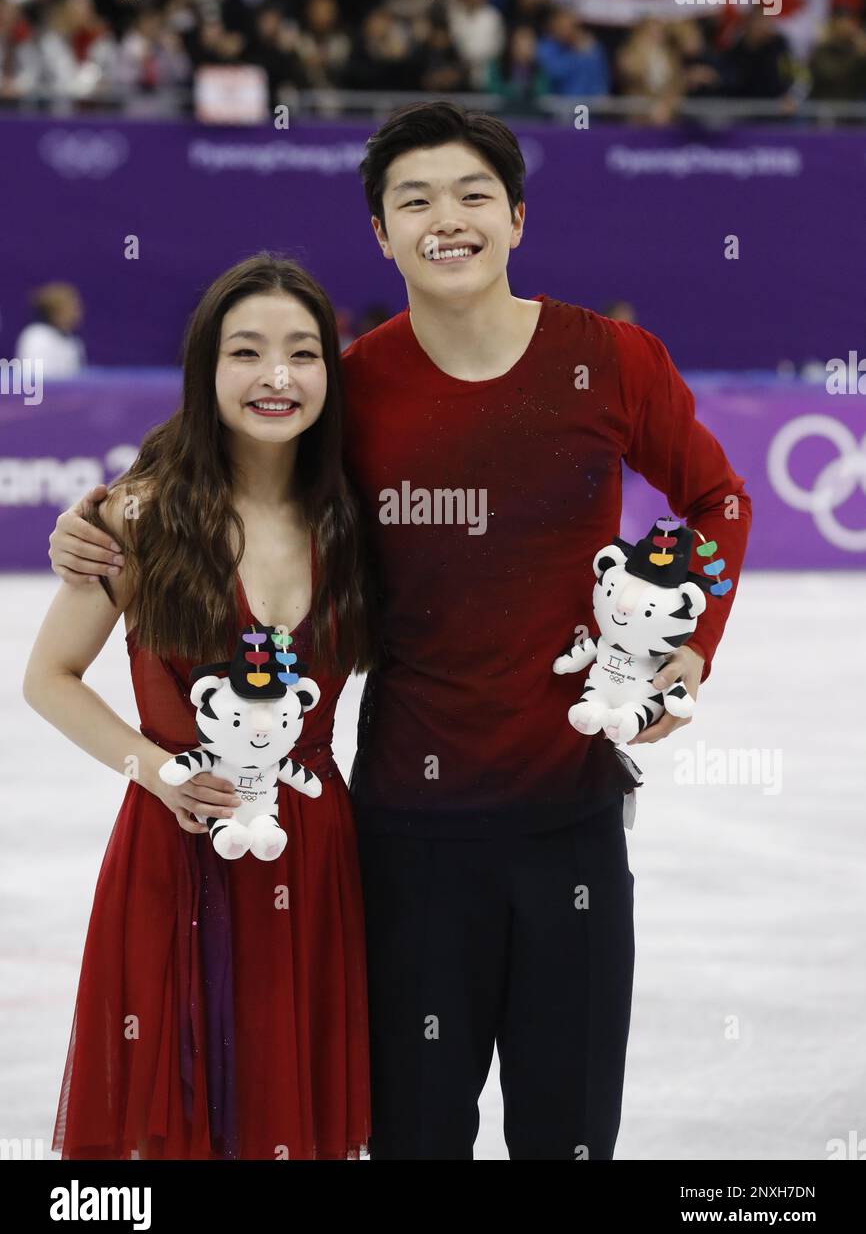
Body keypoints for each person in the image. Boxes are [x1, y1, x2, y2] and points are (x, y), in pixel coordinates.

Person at [48, 101, 752, 1160]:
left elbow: (717, 502)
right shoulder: (354, 387)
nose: (446, 218)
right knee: (414, 1138)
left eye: (472, 194)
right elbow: (232, 459)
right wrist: (104, 511)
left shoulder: (609, 361)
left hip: (570, 817)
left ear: (516, 215)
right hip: (402, 836)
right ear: (380, 234)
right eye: (412, 199)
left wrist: (685, 647)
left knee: (567, 1138)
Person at [27, 254, 375, 1160]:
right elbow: (49, 676)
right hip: (173, 851)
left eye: (303, 354)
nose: (276, 376)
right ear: (204, 369)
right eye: (246, 352)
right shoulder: (139, 516)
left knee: (287, 1117)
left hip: (313, 845)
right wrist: (160, 771)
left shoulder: (352, 518)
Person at [14, 282, 86, 379]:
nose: (76, 313)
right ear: (56, 311)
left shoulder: (74, 343)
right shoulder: (36, 337)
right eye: (71, 307)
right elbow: (33, 380)